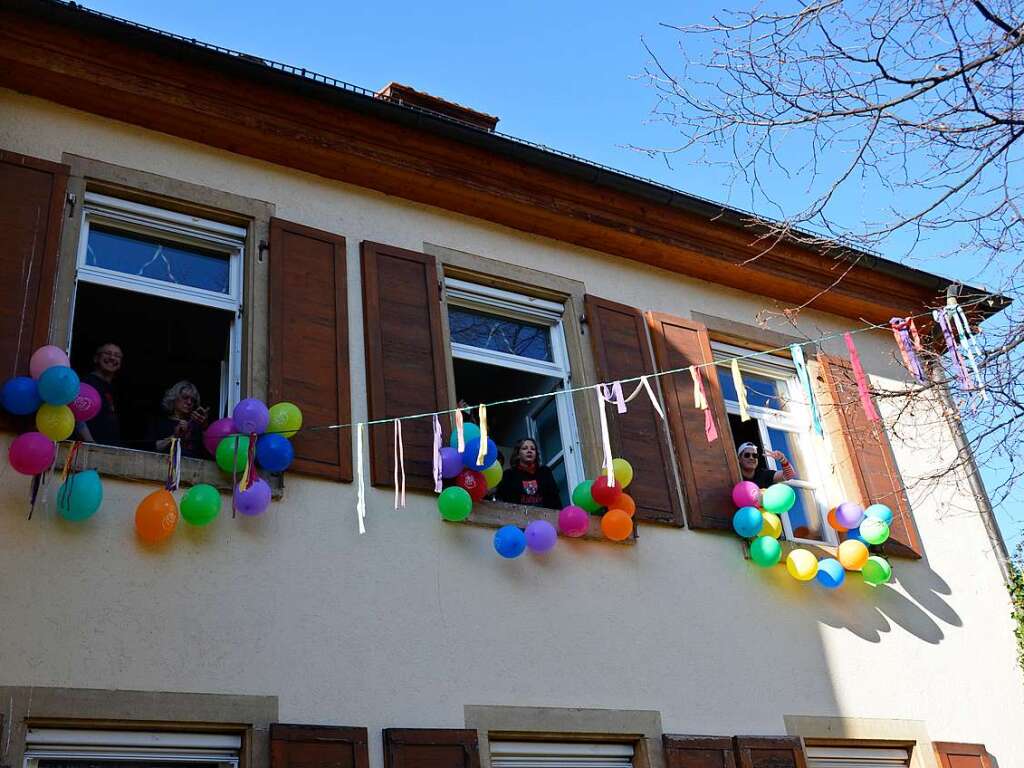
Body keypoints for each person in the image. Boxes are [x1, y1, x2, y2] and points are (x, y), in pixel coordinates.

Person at [77, 342, 123, 446]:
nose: (112, 357)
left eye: (117, 355)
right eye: (107, 353)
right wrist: (90, 443)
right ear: (96, 358)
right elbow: (77, 417)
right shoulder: (86, 383)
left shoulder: (115, 389)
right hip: (90, 451)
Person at [495, 438, 562, 509]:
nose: (529, 451)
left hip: (545, 517)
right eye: (525, 448)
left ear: (536, 454)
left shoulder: (545, 472)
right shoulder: (509, 475)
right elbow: (502, 501)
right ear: (518, 454)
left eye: (533, 449)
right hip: (517, 517)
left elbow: (555, 499)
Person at [150, 380, 208, 458]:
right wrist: (175, 436)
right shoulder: (159, 422)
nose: (189, 402)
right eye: (185, 397)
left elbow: (207, 454)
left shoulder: (197, 426)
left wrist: (205, 426)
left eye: (193, 400)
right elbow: (151, 449)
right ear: (174, 398)